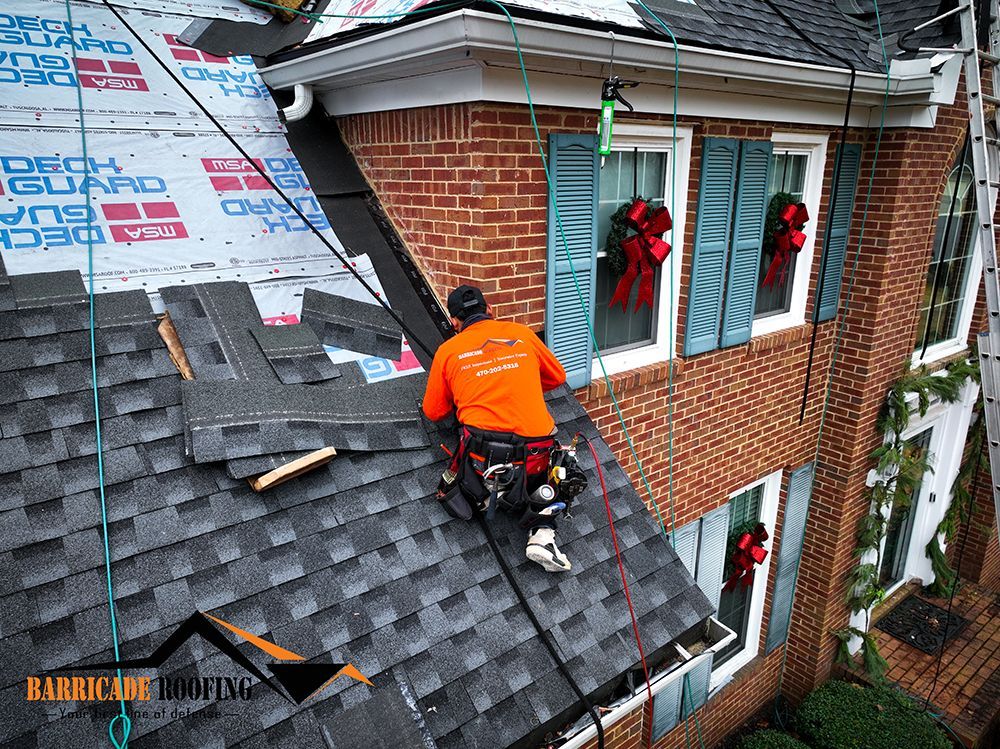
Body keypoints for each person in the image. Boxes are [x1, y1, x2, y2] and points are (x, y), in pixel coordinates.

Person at [422, 284, 580, 572]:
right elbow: (557, 377)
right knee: (556, 474)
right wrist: (521, 380)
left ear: (454, 322)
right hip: (536, 457)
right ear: (490, 310)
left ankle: (485, 499)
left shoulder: (448, 351)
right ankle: (542, 532)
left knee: (470, 466)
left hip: (485, 461)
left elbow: (434, 411)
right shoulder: (521, 334)